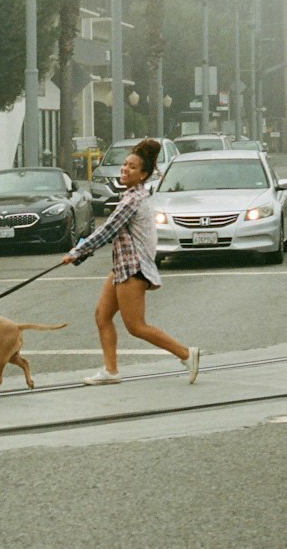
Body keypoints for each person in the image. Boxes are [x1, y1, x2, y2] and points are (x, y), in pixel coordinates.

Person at [62, 137, 201, 386]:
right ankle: (111, 371)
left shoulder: (133, 200)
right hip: (122, 267)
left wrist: (76, 252)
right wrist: (80, 252)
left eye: (132, 167)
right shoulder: (133, 196)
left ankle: (186, 354)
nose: (125, 169)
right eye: (125, 164)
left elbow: (107, 230)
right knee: (102, 316)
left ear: (144, 174)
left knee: (136, 326)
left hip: (133, 269)